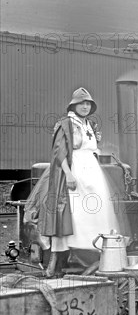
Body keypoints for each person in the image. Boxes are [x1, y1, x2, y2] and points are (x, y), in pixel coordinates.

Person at [34, 87, 125, 276]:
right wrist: (68, 174)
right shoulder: (66, 123)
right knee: (73, 212)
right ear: (73, 105)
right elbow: (59, 152)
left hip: (92, 171)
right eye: (81, 103)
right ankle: (60, 258)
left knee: (97, 210)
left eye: (87, 104)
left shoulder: (89, 124)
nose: (85, 106)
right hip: (74, 169)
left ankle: (95, 251)